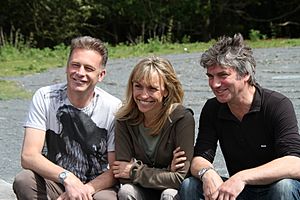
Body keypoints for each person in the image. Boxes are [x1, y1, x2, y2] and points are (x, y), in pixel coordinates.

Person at [179, 33, 300, 200]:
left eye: (223, 75)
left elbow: (294, 162)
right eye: (210, 76)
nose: (215, 84)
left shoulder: (277, 104)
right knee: (190, 186)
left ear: (245, 75)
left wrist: (242, 177)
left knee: (284, 187)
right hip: (239, 191)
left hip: (275, 188)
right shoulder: (213, 108)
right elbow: (199, 158)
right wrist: (207, 173)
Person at [13, 36, 121, 200]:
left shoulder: (113, 107)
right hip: (56, 180)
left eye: (89, 68)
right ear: (67, 66)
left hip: (96, 186)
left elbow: (114, 170)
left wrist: (84, 190)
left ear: (101, 75)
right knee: (24, 180)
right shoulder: (45, 97)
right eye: (75, 65)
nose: (80, 73)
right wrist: (67, 178)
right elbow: (28, 156)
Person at [112, 56, 195, 200]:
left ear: (166, 91)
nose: (144, 95)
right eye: (138, 86)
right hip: (140, 190)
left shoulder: (182, 119)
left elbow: (180, 179)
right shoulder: (124, 119)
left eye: (152, 88)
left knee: (169, 195)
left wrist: (135, 171)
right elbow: (122, 175)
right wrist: (167, 171)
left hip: (170, 191)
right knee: (126, 191)